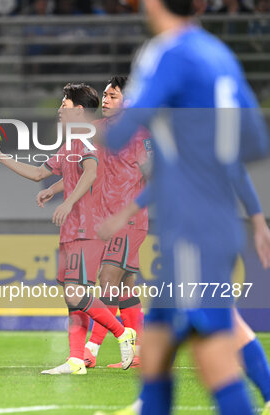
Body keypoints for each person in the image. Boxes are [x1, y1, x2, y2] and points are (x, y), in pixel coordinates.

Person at [96, 0, 269, 412]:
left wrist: (90, 125)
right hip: (210, 222)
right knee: (154, 351)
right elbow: (254, 142)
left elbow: (119, 134)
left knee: (214, 356)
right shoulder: (217, 53)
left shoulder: (166, 51)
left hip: (193, 229)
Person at [0, 83, 137, 375]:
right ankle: (76, 360)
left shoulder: (86, 137)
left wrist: (68, 202)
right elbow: (39, 172)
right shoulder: (74, 141)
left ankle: (122, 333)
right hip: (74, 227)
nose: (59, 109)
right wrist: (1, 157)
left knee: (76, 293)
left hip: (86, 226)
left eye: (64, 104)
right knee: (73, 299)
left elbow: (91, 172)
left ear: (78, 109)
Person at [95, 165, 270, 415]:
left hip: (200, 242)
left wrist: (258, 221)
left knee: (206, 344)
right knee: (178, 330)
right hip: (192, 241)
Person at [38, 76, 150, 369]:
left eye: (113, 96)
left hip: (128, 219)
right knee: (125, 287)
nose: (106, 100)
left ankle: (90, 350)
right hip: (103, 219)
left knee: (107, 282)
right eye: (105, 95)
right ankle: (140, 352)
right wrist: (54, 187)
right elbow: (84, 167)